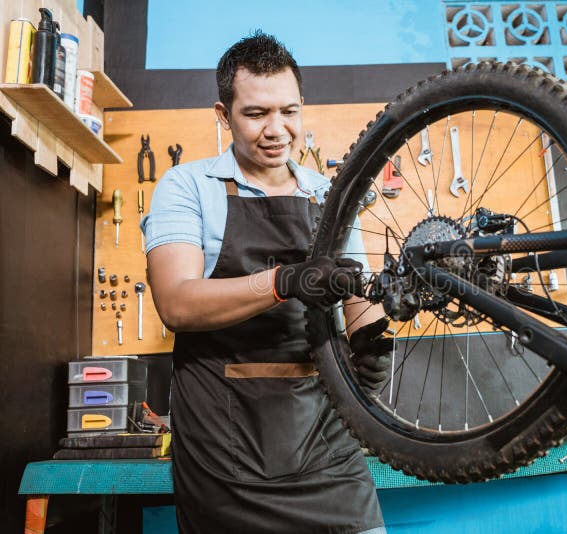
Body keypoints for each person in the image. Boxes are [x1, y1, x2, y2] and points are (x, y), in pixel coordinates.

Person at [141, 32, 390, 533]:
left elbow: (356, 293)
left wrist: (377, 332)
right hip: (225, 450)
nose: (277, 130)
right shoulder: (187, 187)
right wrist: (284, 281)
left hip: (326, 441)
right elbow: (176, 305)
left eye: (289, 112)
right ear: (222, 113)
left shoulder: (331, 194)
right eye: (256, 114)